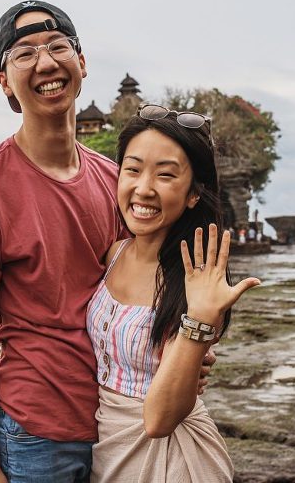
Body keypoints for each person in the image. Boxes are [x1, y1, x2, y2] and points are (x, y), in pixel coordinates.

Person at [0, 1, 215, 482]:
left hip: (114, 424)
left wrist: (187, 344)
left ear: (82, 61)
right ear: (4, 81)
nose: (46, 63)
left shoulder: (114, 180)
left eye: (57, 46)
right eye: (23, 53)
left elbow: (140, 280)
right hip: (34, 432)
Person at [87, 105, 260, 482]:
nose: (143, 188)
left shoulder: (193, 283)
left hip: (173, 460)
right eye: (132, 169)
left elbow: (160, 419)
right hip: (105, 447)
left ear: (193, 193)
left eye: (165, 175)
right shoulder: (113, 254)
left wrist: (200, 321)